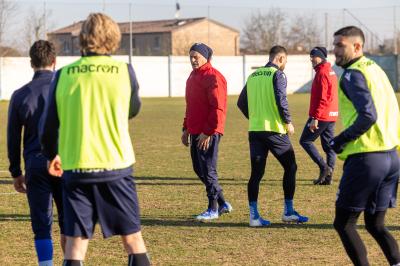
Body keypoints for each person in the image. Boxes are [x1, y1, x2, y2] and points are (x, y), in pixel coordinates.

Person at [39, 13, 150, 266]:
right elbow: (133, 109)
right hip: (116, 167)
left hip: (77, 168)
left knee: (75, 246)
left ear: (83, 38)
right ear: (114, 37)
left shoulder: (64, 75)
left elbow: (48, 127)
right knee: (133, 241)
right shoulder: (125, 70)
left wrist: (51, 155)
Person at [331, 26, 400, 266]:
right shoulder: (376, 69)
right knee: (375, 224)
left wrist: (339, 140)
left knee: (344, 223)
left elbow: (367, 115)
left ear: (357, 46)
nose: (334, 50)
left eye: (340, 45)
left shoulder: (352, 73)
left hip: (367, 158)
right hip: (391, 157)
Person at [7, 40, 65, 266]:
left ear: (31, 63)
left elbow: (13, 138)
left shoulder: (20, 95)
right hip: (65, 162)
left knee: (41, 224)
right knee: (68, 221)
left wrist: (15, 172)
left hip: (36, 164)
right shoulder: (67, 89)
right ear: (54, 61)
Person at [237, 45, 309, 227]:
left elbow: (241, 102)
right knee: (291, 167)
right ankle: (288, 211)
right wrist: (288, 121)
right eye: (286, 61)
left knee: (256, 174)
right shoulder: (278, 75)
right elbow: (281, 98)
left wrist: (254, 117)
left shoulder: (253, 76)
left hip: (255, 131)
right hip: (275, 130)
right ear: (281, 59)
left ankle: (254, 217)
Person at [181, 42, 233, 221]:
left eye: (196, 57)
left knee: (208, 169)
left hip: (208, 132)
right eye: (191, 57)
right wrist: (186, 128)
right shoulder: (192, 76)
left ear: (206, 57)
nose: (193, 60)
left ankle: (213, 208)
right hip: (195, 131)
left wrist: (209, 131)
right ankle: (223, 202)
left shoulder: (214, 77)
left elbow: (218, 107)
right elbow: (190, 105)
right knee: (199, 168)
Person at [299, 46, 338, 185]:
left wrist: (315, 118)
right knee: (329, 147)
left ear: (320, 56)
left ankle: (324, 168)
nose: (311, 59)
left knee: (305, 141)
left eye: (313, 56)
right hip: (331, 114)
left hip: (322, 115)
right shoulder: (330, 70)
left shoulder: (322, 72)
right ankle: (328, 178)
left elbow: (323, 98)